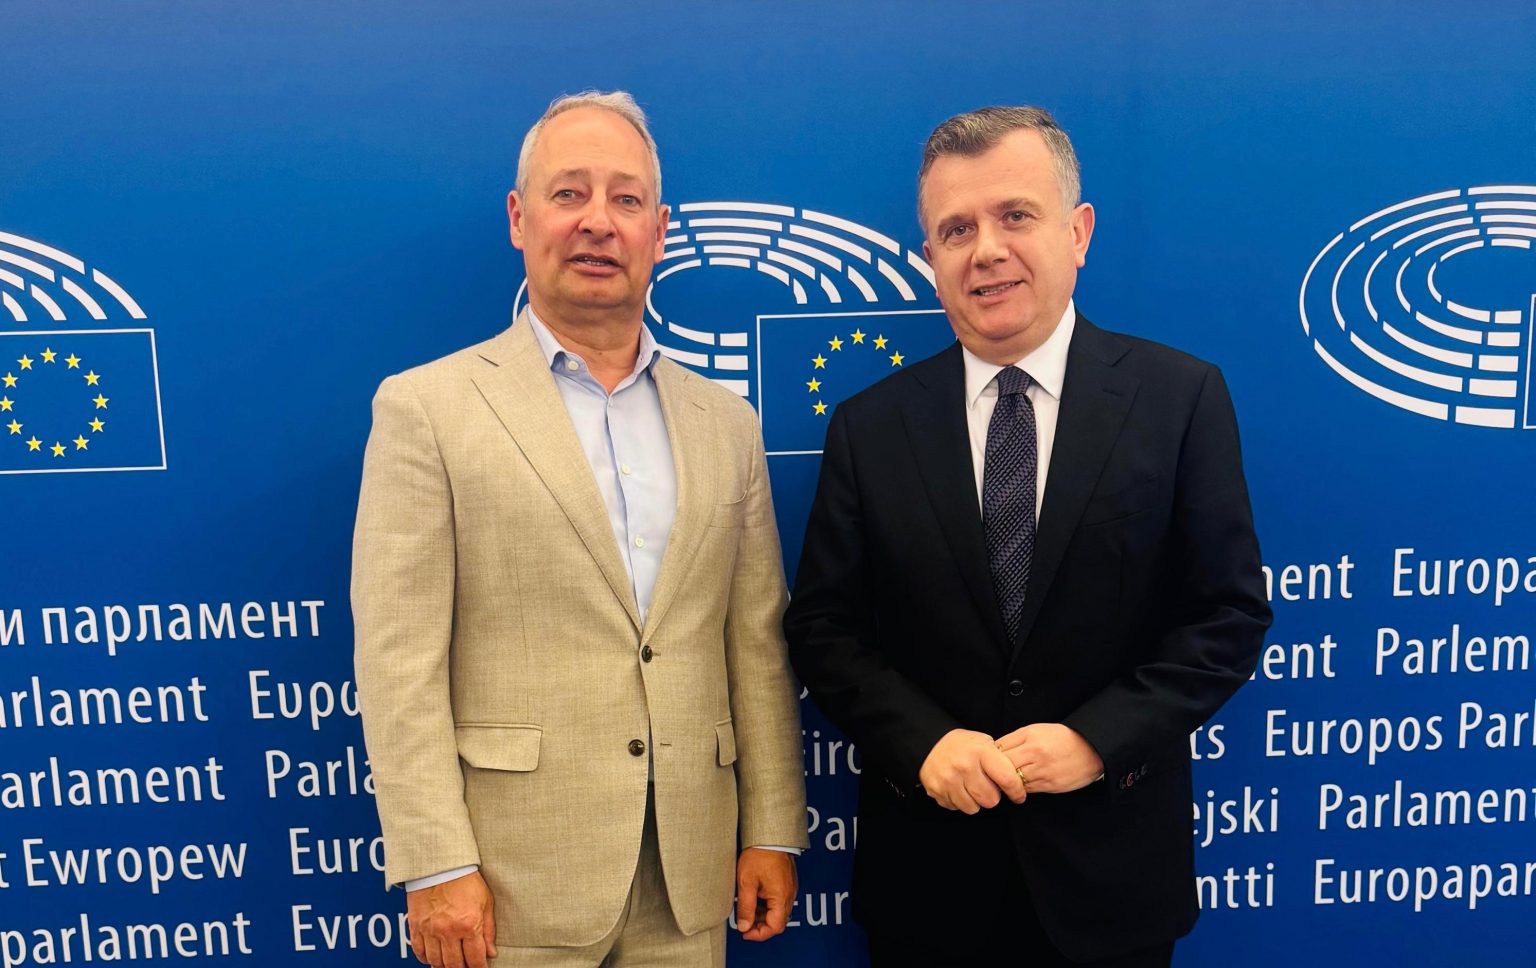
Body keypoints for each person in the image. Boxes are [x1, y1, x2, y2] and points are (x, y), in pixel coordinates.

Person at [783, 105, 1272, 967]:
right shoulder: (869, 427)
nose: (987, 250)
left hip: (1113, 883)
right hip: (929, 884)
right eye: (957, 229)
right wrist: (923, 744)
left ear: (1077, 233)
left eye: (1016, 215)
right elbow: (824, 631)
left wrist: (1095, 741)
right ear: (930, 257)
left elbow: (1226, 617)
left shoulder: (1179, 400)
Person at [352, 90, 807, 968]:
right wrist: (436, 862)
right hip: (512, 883)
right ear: (519, 219)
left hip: (691, 875)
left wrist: (772, 827)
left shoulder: (726, 423)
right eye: (569, 194)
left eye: (626, 199)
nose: (599, 221)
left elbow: (755, 644)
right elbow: (398, 660)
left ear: (659, 232)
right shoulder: (427, 409)